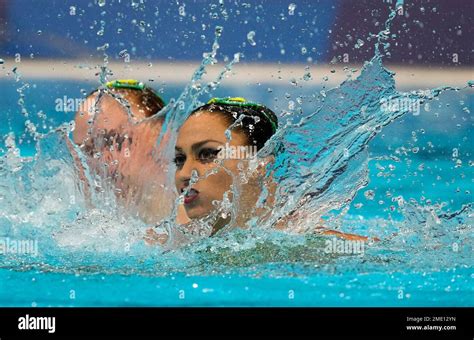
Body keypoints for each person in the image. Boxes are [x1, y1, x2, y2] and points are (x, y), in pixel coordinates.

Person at [71, 79, 188, 223]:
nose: (102, 161)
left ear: (164, 140)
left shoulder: (204, 228)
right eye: (86, 151)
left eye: (115, 142)